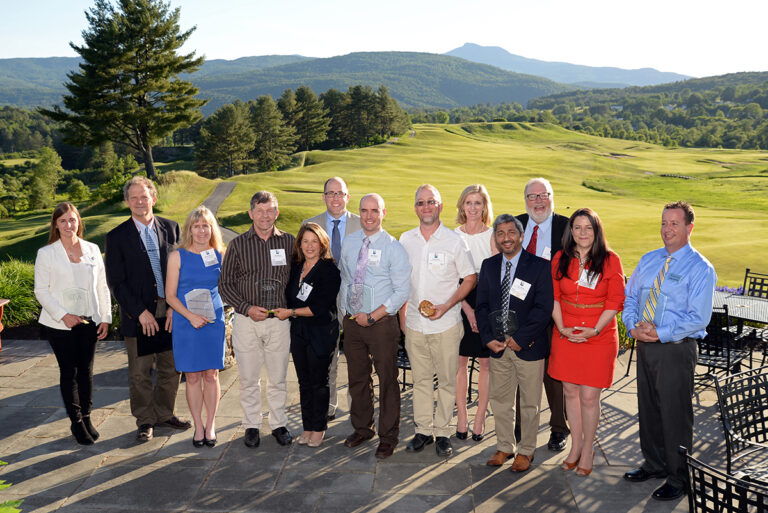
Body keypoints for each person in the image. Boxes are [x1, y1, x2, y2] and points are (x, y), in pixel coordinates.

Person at [622, 201, 716, 501]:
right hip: (645, 346)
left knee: (675, 415)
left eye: (674, 223)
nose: (667, 229)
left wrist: (659, 333)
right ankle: (654, 464)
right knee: (648, 409)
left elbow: (698, 318)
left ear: (689, 227)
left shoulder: (701, 268)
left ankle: (678, 477)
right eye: (664, 223)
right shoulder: (649, 260)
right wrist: (632, 328)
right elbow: (630, 298)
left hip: (676, 350)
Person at [105, 177, 190, 442]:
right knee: (140, 372)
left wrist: (175, 307)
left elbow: (183, 271)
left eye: (144, 196)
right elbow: (116, 282)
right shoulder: (116, 237)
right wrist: (140, 312)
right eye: (134, 198)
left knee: (171, 367)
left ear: (153, 198)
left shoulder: (172, 228)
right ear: (127, 202)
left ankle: (164, 414)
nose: (140, 202)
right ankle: (145, 420)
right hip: (138, 314)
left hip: (170, 309)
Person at [399, 185, 476, 458]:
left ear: (440, 206)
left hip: (446, 325)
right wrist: (402, 316)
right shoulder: (406, 239)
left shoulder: (454, 241)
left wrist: (448, 305)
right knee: (420, 380)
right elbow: (401, 282)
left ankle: (443, 432)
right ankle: (423, 430)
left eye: (431, 201)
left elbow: (470, 278)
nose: (426, 207)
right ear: (415, 208)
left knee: (446, 381)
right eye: (421, 202)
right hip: (414, 325)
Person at [548, 208, 625, 476]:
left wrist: (594, 330)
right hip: (566, 332)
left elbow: (615, 301)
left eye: (588, 227)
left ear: (597, 231)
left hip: (598, 335)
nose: (582, 233)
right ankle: (576, 446)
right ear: (570, 231)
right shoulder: (560, 258)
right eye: (577, 227)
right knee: (570, 391)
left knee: (590, 397)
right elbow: (553, 296)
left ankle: (588, 448)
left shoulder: (611, 260)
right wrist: (561, 327)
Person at [476, 214, 553, 472]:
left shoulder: (539, 266)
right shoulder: (489, 266)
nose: (506, 238)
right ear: (495, 238)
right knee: (500, 400)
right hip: (498, 347)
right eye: (500, 233)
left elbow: (543, 308)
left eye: (511, 232)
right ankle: (505, 447)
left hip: (527, 347)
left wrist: (520, 339)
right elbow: (481, 306)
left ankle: (527, 451)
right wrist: (488, 338)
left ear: (521, 236)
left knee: (530, 403)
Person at [218, 191, 295, 448]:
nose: (265, 215)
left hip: (279, 321)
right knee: (249, 378)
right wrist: (246, 308)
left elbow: (298, 279)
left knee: (278, 377)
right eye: (260, 211)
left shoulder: (289, 242)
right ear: (251, 213)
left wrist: (292, 309)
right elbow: (225, 285)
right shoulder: (238, 245)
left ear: (277, 213)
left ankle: (278, 423)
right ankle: (251, 425)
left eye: (270, 210)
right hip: (246, 320)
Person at [339, 193, 410, 459]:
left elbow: (402, 291)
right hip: (353, 323)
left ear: (383, 213)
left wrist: (373, 316)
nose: (369, 216)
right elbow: (346, 278)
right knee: (357, 378)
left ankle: (388, 437)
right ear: (359, 212)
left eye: (374, 210)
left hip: (381, 323)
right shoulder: (350, 242)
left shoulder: (393, 247)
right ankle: (362, 428)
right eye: (364, 210)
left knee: (387, 380)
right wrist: (346, 312)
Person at [34, 202, 112, 445]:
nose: (69, 225)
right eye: (63, 221)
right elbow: (41, 291)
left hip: (89, 321)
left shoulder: (92, 249)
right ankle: (76, 422)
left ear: (79, 222)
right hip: (60, 324)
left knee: (86, 371)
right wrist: (63, 315)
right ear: (56, 225)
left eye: (72, 219)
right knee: (70, 372)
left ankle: (87, 416)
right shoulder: (46, 253)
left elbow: (102, 286)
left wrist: (105, 317)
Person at [273, 223, 341, 448]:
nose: (310, 246)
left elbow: (320, 307)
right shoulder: (296, 267)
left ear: (322, 244)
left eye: (314, 242)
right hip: (299, 332)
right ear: (299, 244)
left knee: (319, 382)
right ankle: (307, 427)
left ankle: (319, 429)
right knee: (304, 382)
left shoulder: (329, 271)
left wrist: (291, 312)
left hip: (321, 332)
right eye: (305, 241)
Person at [165, 206, 226, 448]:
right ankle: (198, 426)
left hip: (213, 322)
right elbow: (170, 296)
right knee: (192, 376)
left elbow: (230, 286)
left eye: (205, 226)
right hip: (186, 322)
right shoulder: (177, 256)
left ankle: (210, 425)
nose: (201, 231)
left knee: (211, 375)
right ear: (189, 229)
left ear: (212, 228)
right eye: (196, 226)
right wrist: (190, 317)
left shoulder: (220, 254)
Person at [516, 177, 570, 452]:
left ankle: (559, 428)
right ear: (525, 200)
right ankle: (520, 429)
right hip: (520, 313)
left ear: (552, 197)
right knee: (520, 371)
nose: (538, 201)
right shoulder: (515, 224)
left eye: (543, 195)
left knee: (555, 373)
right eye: (532, 196)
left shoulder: (567, 227)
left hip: (555, 312)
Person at [303, 177, 361, 421]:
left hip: (355, 297)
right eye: (331, 193)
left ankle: (357, 407)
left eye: (340, 193)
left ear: (348, 197)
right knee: (327, 355)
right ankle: (328, 405)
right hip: (323, 300)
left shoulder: (362, 223)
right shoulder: (310, 224)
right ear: (323, 197)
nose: (336, 198)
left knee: (358, 356)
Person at [453, 184, 497, 442]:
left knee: (485, 363)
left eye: (477, 203)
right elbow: (449, 279)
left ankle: (479, 418)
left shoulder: (493, 236)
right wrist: (467, 309)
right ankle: (461, 417)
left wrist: (480, 313)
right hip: (459, 301)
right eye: (468, 202)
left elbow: (497, 278)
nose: (472, 208)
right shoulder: (452, 236)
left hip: (486, 302)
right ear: (462, 205)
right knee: (459, 362)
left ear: (484, 206)